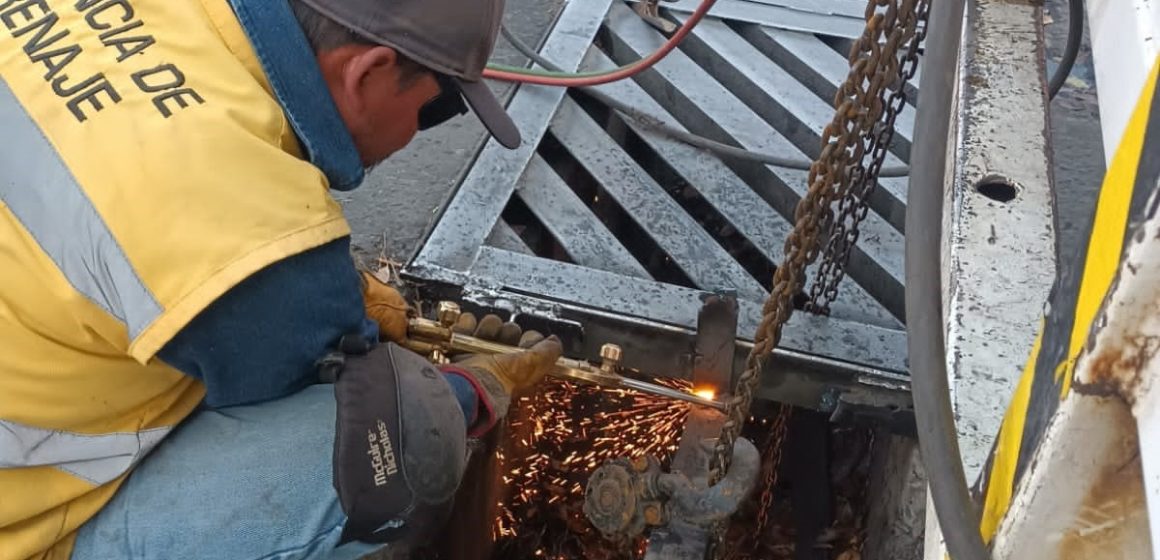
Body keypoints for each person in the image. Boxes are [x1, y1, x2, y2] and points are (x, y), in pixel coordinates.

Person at [0, 0, 562, 558]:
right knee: (403, 435)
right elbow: (354, 392)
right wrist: (467, 396)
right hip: (20, 523)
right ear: (368, 70)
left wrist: (332, 291)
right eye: (437, 109)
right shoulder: (258, 243)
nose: (418, 133)